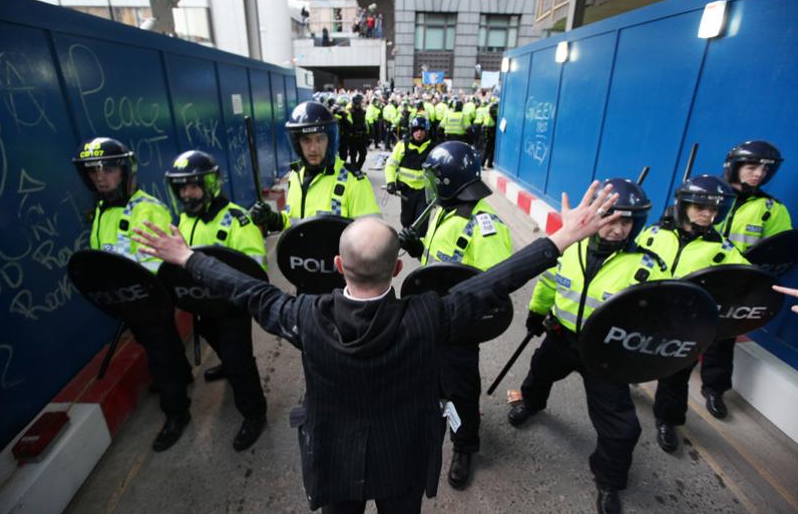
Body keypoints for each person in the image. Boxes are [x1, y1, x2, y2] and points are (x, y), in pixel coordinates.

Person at [133, 178, 622, 514]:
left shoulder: (304, 317)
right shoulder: (430, 315)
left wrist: (186, 256)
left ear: (338, 267)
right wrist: (563, 239)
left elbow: (248, 291)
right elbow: (494, 282)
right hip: (403, 459)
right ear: (398, 269)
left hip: (334, 461)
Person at [507, 178, 670, 514]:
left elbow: (656, 319)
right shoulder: (570, 246)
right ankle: (532, 404)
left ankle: (609, 481)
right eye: (609, 218)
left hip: (606, 355)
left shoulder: (647, 267)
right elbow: (550, 281)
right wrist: (537, 312)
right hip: (561, 336)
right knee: (538, 373)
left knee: (622, 427)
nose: (616, 228)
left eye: (626, 221)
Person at [399, 141, 511, 490]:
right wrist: (418, 248)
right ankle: (432, 421)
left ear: (450, 181)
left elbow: (494, 291)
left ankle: (464, 446)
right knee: (430, 379)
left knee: (461, 389)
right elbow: (438, 266)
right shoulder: (442, 210)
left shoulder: (485, 228)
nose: (429, 185)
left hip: (459, 327)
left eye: (434, 178)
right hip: (432, 315)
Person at [72, 137, 193, 452]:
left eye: (108, 169)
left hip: (149, 300)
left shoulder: (147, 209)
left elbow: (159, 262)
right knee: (159, 349)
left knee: (161, 354)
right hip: (127, 301)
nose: (100, 177)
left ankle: (177, 412)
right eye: (93, 171)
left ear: (125, 171)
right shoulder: (102, 210)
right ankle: (182, 377)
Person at [164, 150, 269, 451]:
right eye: (182, 187)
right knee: (219, 344)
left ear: (210, 185)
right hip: (201, 304)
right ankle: (226, 363)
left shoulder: (237, 220)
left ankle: (254, 412)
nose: (188, 193)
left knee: (239, 362)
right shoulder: (183, 219)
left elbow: (255, 268)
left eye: (194, 186)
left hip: (231, 307)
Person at [637, 175, 746, 453]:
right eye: (701, 207)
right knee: (630, 359)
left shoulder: (723, 250)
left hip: (685, 324)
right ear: (683, 206)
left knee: (676, 377)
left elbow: (746, 281)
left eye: (713, 210)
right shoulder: (653, 234)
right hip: (646, 315)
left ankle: (667, 420)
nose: (708, 215)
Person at [707, 140, 793, 418]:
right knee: (679, 326)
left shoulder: (772, 209)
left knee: (723, 338)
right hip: (699, 275)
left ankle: (714, 389)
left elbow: (781, 251)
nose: (758, 174)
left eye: (764, 170)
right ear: (734, 166)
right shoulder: (708, 196)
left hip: (736, 285)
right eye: (751, 166)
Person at [250, 101, 380, 232]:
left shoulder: (353, 181)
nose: (313, 148)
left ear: (329, 140)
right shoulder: (296, 176)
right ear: (297, 143)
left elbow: (371, 236)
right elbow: (295, 222)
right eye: (306, 140)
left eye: (320, 139)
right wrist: (275, 220)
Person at [385, 116, 433, 237]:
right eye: (416, 130)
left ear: (426, 132)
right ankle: (408, 239)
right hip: (407, 191)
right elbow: (390, 165)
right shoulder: (402, 146)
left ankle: (419, 250)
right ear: (412, 131)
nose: (419, 133)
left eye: (422, 130)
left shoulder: (432, 148)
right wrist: (390, 182)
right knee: (406, 220)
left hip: (425, 192)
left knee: (421, 224)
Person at [346, 94, 370, 170]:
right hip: (353, 137)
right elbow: (348, 124)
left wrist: (367, 134)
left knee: (363, 154)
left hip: (362, 137)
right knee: (353, 155)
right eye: (360, 102)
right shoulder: (349, 111)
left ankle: (358, 169)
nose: (360, 104)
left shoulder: (363, 112)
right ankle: (354, 170)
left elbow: (365, 123)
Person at [481, 101, 498, 169]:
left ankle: (489, 164)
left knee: (491, 149)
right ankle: (482, 164)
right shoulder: (493, 117)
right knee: (487, 149)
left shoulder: (489, 115)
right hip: (490, 133)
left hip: (488, 132)